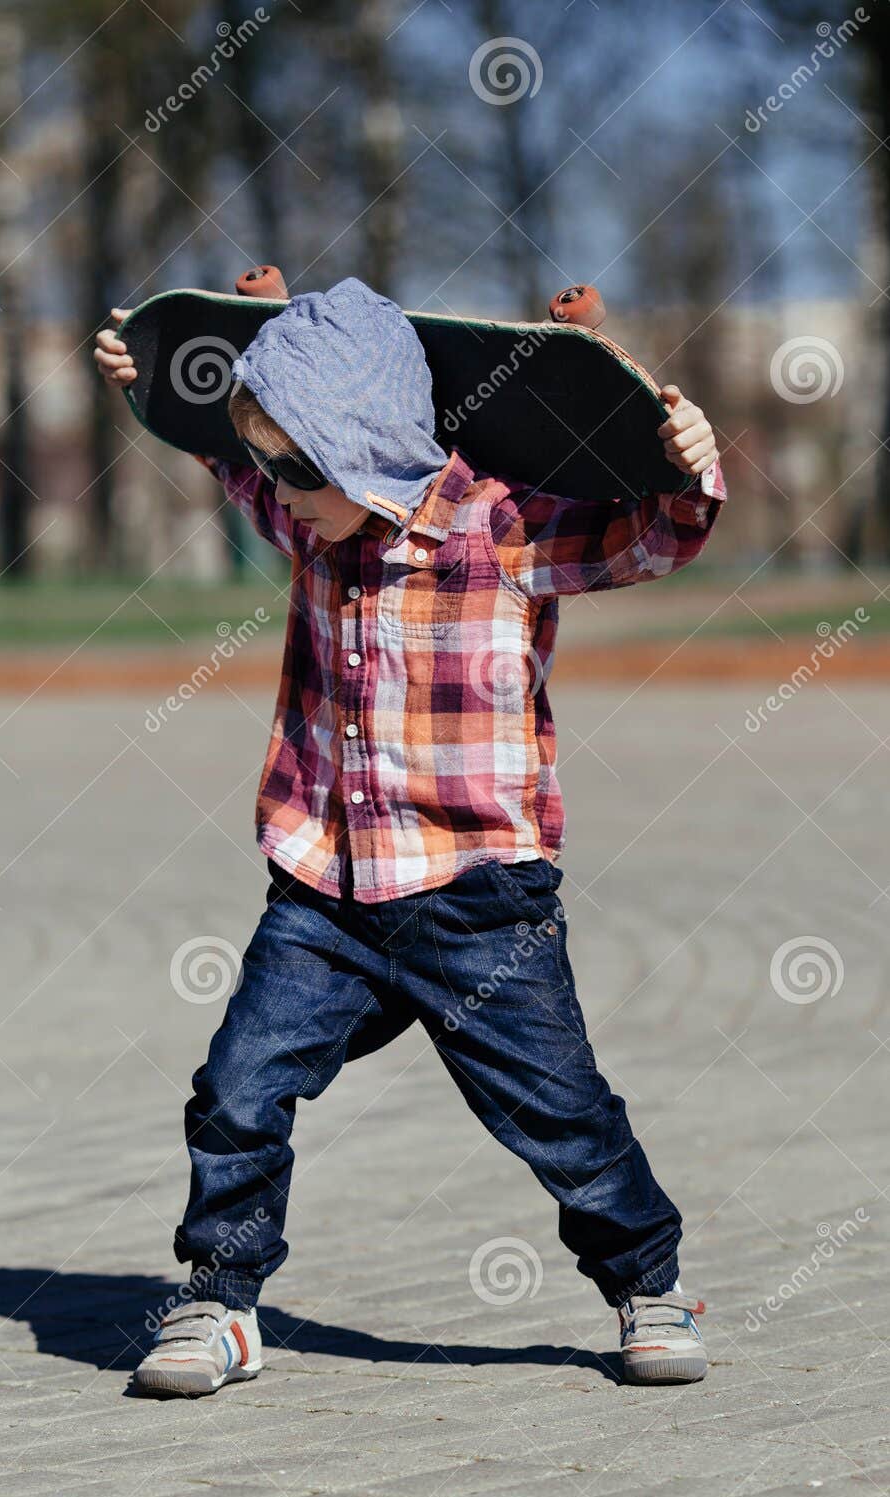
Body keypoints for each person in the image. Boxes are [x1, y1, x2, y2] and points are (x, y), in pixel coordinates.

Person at [94, 278, 724, 1396]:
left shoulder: (501, 529)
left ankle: (647, 1283)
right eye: (270, 467)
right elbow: (232, 461)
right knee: (237, 1088)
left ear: (363, 447)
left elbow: (653, 536)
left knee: (559, 1112)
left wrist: (687, 459)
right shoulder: (311, 514)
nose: (277, 495)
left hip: (478, 899)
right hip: (325, 895)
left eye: (295, 469)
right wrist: (168, 374)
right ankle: (221, 1303)